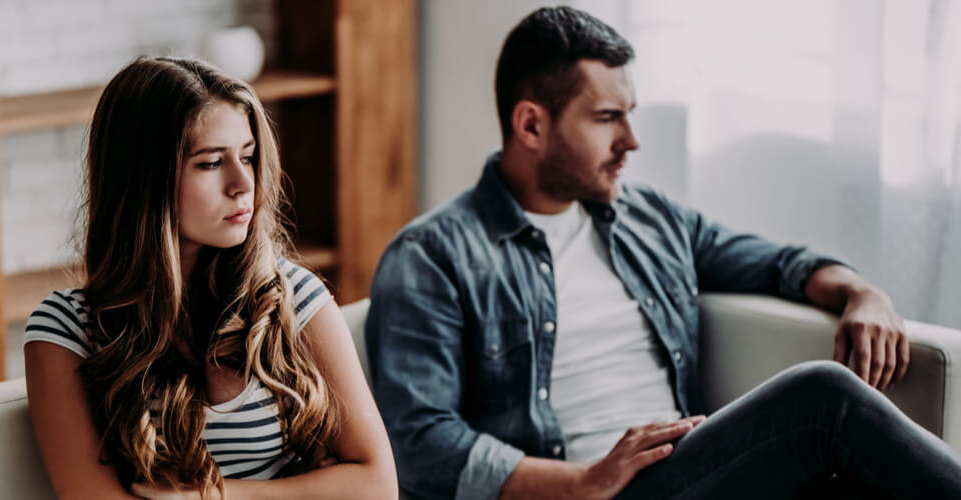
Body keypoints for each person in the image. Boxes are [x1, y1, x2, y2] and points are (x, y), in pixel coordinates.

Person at [366, 7, 961, 499]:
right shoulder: (432, 256)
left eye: (630, 115)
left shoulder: (647, 218)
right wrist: (586, 481)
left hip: (687, 476)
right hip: (587, 492)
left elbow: (778, 264)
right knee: (822, 401)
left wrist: (861, 292)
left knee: (852, 485)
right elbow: (420, 445)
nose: (631, 140)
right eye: (607, 119)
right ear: (530, 125)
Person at [23, 57, 397, 500]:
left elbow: (376, 486)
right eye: (211, 163)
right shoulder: (64, 332)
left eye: (248, 156)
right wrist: (306, 488)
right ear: (145, 180)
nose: (244, 183)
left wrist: (205, 495)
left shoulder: (294, 296)